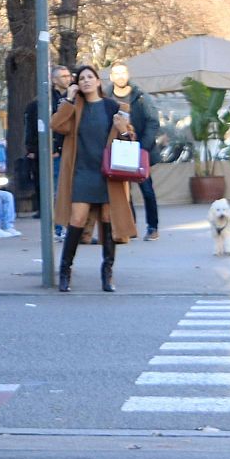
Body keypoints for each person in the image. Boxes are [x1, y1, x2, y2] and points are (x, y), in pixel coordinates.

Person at [51, 65, 137, 292]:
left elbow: (130, 141)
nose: (86, 81)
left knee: (108, 222)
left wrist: (124, 130)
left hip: (108, 174)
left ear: (99, 81)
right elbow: (56, 126)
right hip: (81, 172)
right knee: (77, 220)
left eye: (90, 77)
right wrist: (68, 99)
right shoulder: (74, 106)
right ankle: (65, 271)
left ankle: (107, 274)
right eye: (81, 78)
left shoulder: (113, 108)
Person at [107, 61, 160, 240]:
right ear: (111, 77)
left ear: (128, 74)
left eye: (123, 72)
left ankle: (153, 227)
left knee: (147, 189)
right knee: (123, 192)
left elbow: (153, 122)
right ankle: (130, 227)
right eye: (117, 73)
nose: (120, 76)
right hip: (116, 150)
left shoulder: (141, 97)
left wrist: (142, 146)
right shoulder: (105, 97)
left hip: (139, 150)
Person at [24, 65, 71, 240]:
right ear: (54, 79)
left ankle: (69, 226)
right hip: (55, 152)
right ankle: (59, 228)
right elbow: (37, 128)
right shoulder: (43, 102)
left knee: (69, 190)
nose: (67, 79)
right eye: (63, 76)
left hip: (71, 150)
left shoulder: (73, 97)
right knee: (57, 191)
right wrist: (45, 149)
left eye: (68, 75)